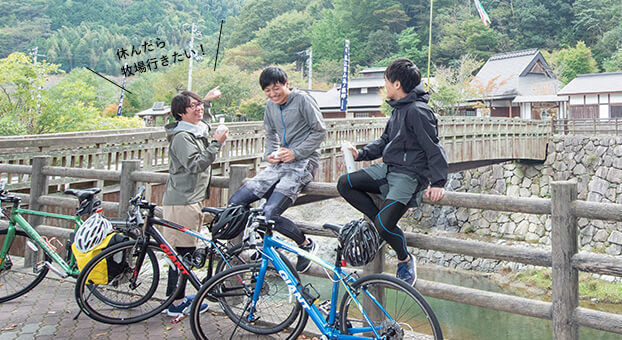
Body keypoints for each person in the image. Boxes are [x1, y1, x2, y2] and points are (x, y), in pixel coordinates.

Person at [336, 58, 448, 286]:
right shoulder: (399, 108)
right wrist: (361, 154)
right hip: (388, 169)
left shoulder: (418, 111)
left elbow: (433, 147)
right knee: (344, 183)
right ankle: (376, 227)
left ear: (397, 84)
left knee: (385, 226)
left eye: (386, 81)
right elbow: (386, 140)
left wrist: (438, 182)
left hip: (409, 176)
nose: (384, 85)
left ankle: (404, 258)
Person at [227, 67, 325, 272]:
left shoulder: (302, 100)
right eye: (268, 91)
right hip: (278, 162)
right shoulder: (270, 106)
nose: (273, 94)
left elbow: (319, 131)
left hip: (304, 162)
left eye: (276, 88)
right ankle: (264, 245)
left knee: (269, 213)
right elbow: (270, 135)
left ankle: (306, 244)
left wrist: (296, 153)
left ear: (286, 83)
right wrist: (269, 156)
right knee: (236, 202)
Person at [162, 90, 228, 317]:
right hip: (182, 202)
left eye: (199, 104)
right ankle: (176, 303)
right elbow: (195, 164)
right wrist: (217, 144)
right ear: (181, 113)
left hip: (189, 199)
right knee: (183, 254)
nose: (198, 109)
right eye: (193, 106)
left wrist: (207, 102)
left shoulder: (193, 131)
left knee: (181, 253)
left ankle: (174, 299)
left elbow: (204, 125)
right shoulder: (182, 137)